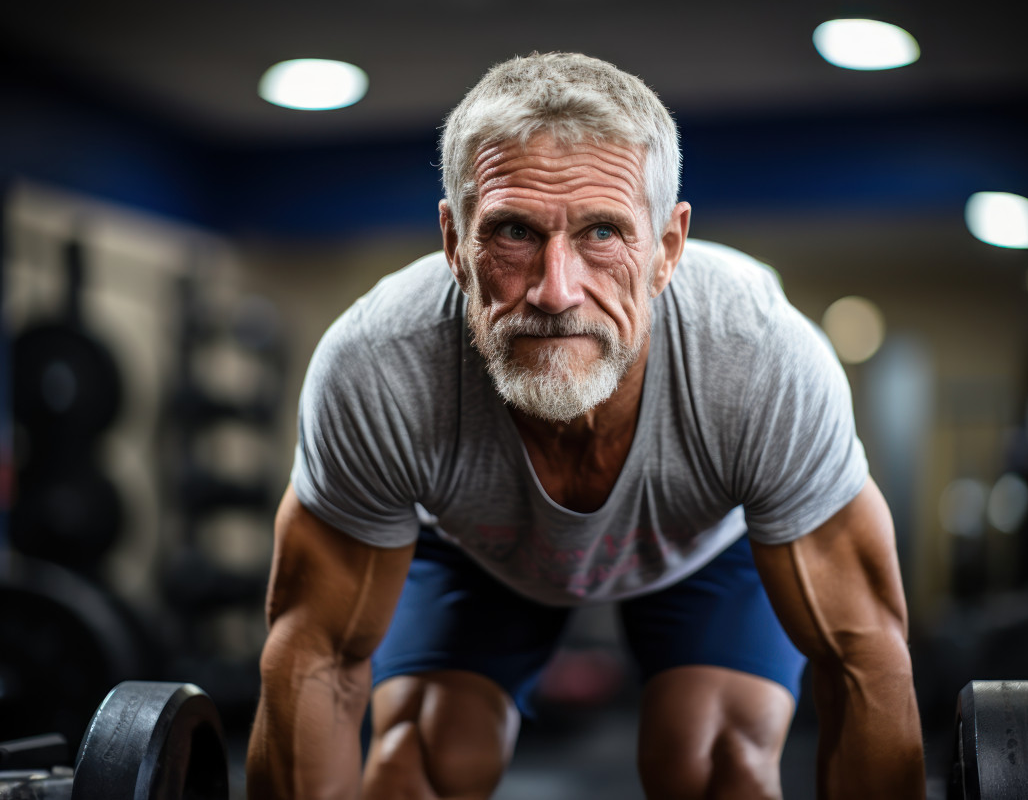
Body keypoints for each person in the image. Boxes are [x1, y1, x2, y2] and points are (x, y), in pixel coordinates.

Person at [246, 51, 925, 800]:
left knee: (713, 764)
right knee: (425, 756)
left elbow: (865, 663)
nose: (555, 290)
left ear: (668, 248)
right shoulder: (378, 367)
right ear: (453, 243)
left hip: (704, 548)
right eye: (512, 233)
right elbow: (314, 659)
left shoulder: (759, 359)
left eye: (603, 232)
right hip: (477, 551)